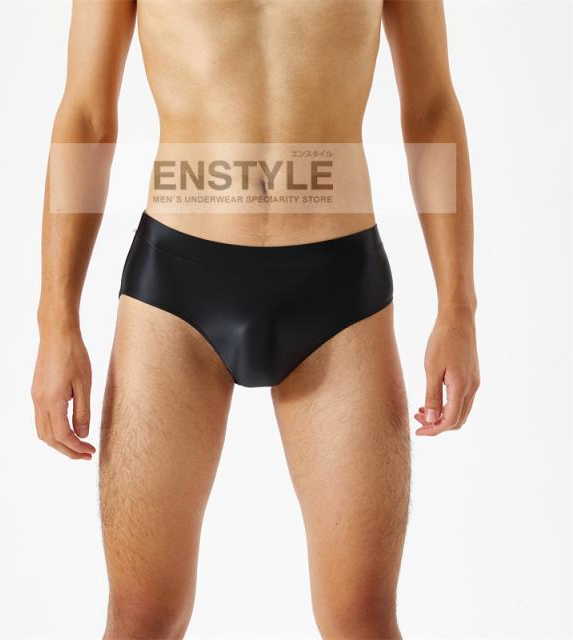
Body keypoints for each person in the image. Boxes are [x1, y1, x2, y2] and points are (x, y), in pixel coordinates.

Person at [31, 1, 480, 637]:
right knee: (140, 616)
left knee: (363, 618)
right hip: (175, 291)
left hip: (338, 294)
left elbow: (431, 107)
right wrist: (56, 322)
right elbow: (87, 115)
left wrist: (458, 305)